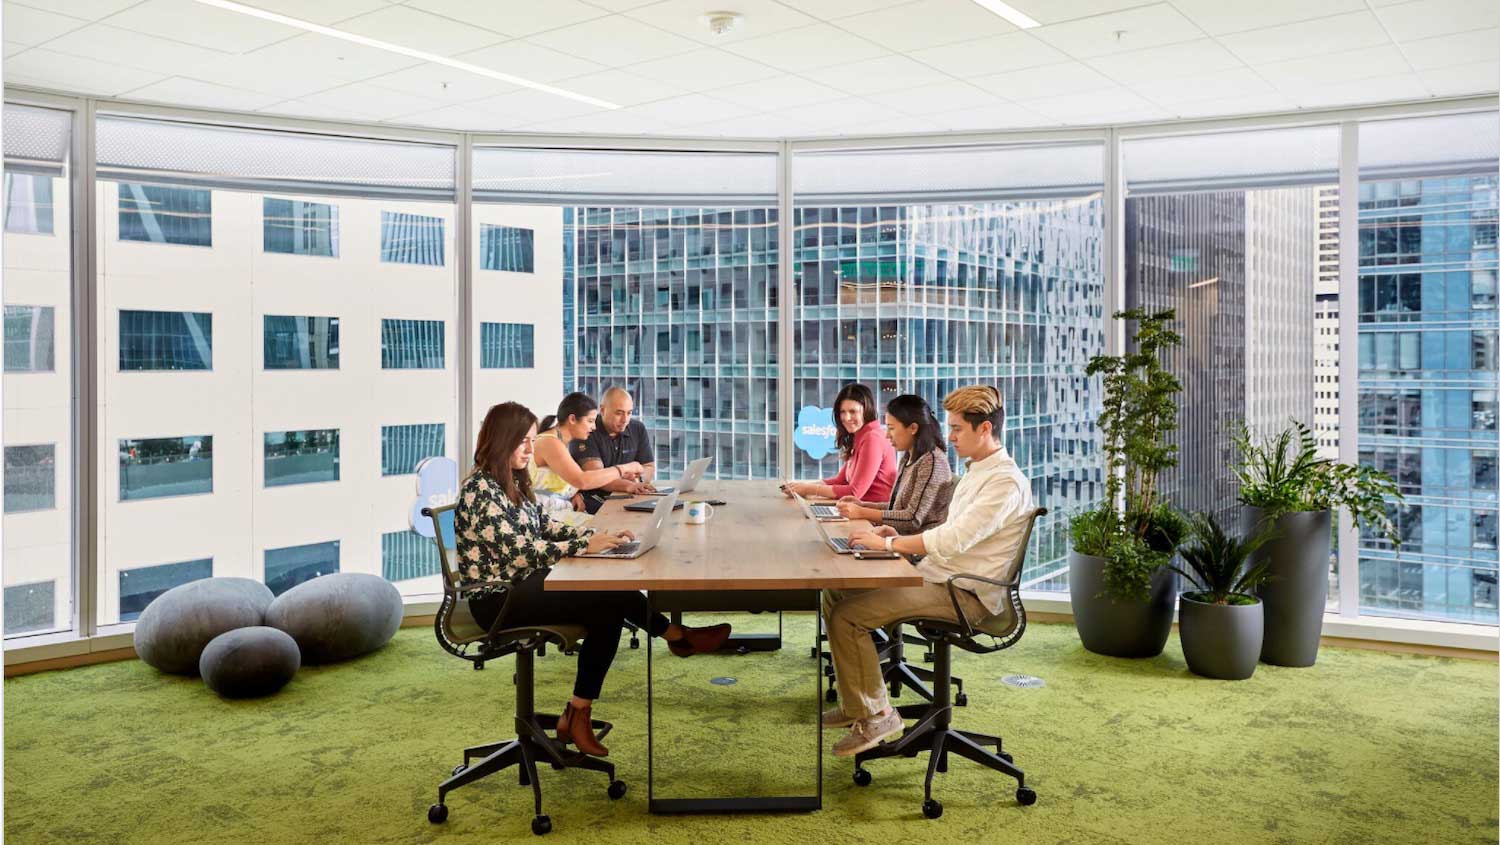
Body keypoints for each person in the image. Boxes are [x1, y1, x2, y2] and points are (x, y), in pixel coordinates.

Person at [456, 402, 733, 758]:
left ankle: (579, 710)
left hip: (525, 581)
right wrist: (584, 546)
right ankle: (674, 637)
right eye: (522, 442)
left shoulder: (511, 481)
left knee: (608, 604)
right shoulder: (481, 489)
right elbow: (519, 551)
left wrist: (593, 537)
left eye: (530, 441)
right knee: (607, 598)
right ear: (500, 441)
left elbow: (543, 526)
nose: (530, 449)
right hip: (497, 597)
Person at [824, 386, 1035, 758]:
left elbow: (953, 539)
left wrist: (889, 545)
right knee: (837, 593)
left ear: (984, 428)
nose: (949, 436)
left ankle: (878, 717)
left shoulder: (1004, 482)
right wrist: (900, 535)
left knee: (847, 617)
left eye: (957, 429)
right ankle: (858, 703)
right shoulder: (977, 472)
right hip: (940, 576)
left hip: (966, 596)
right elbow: (945, 533)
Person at [835, 394, 952, 535]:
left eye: (891, 428)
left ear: (913, 428)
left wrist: (862, 512)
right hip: (897, 538)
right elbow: (896, 508)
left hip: (914, 550)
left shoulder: (932, 461)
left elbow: (912, 519)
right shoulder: (909, 457)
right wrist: (863, 505)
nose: (887, 435)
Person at [782, 383, 897, 503]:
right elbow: (841, 480)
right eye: (842, 412)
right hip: (859, 510)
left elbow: (854, 493)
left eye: (853, 411)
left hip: (873, 517)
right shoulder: (860, 435)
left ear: (866, 410)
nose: (846, 418)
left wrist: (809, 489)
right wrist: (801, 487)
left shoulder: (872, 438)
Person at [531, 392, 643, 513]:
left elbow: (565, 480)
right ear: (572, 419)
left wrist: (573, 493)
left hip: (557, 510)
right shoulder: (550, 442)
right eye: (590, 421)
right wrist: (625, 468)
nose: (594, 427)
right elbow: (583, 480)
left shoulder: (561, 442)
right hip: (544, 517)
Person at [573, 387, 657, 513]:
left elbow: (649, 466)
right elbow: (596, 477)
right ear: (602, 410)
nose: (625, 420)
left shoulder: (637, 428)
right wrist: (629, 484)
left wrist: (638, 479)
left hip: (630, 496)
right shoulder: (587, 430)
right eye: (619, 413)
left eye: (629, 413)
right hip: (595, 500)